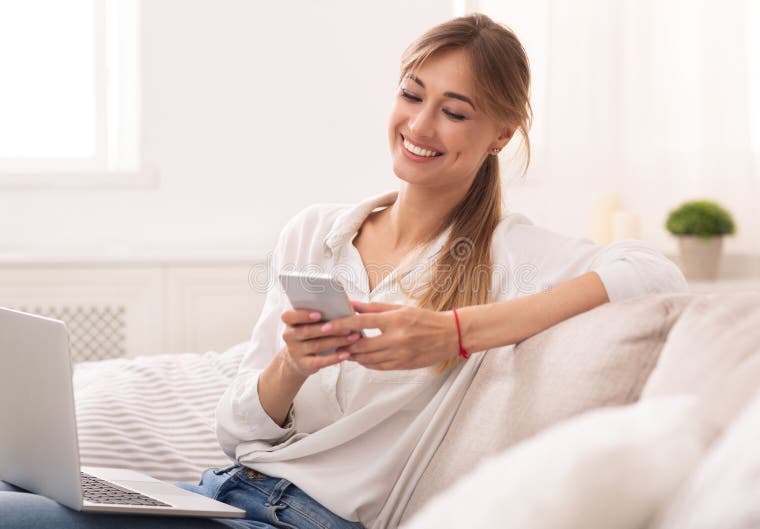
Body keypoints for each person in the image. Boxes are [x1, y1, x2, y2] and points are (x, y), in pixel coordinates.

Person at [0, 13, 687, 529]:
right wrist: (290, 367)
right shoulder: (316, 232)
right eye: (412, 94)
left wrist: (455, 330)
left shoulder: (507, 253)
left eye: (454, 111)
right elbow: (240, 431)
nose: (420, 124)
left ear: (501, 135)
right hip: (223, 494)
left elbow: (654, 275)